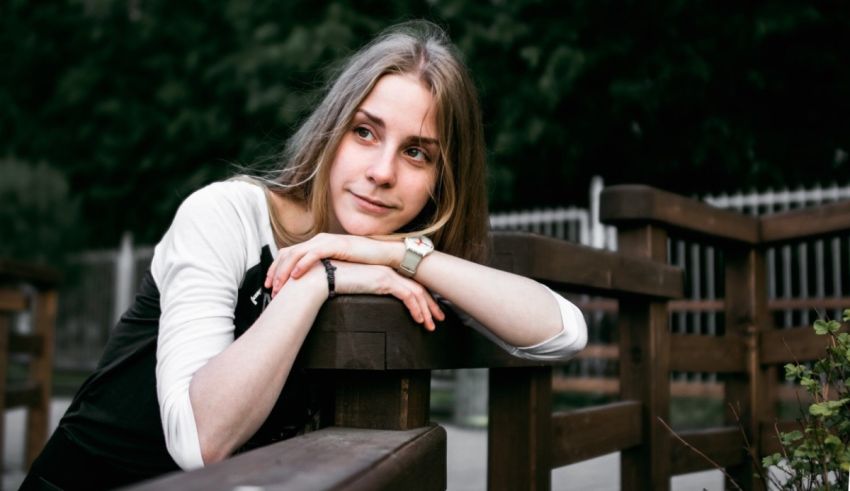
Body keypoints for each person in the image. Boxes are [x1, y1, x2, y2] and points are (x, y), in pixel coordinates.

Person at [21, 20, 587, 490]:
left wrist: (396, 256)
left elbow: (564, 332)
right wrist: (321, 278)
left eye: (416, 153)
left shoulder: (398, 257)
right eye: (365, 132)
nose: (382, 172)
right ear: (332, 129)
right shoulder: (224, 215)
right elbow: (200, 442)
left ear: (443, 180)